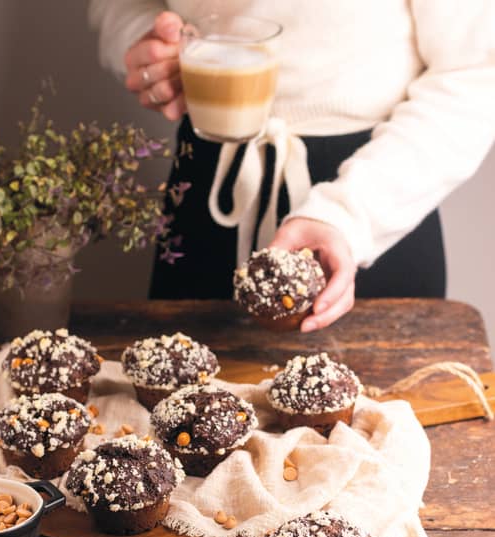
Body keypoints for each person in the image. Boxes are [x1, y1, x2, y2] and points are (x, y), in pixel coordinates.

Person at [89, 1, 495, 332]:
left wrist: (350, 214)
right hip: (208, 186)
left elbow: (477, 71)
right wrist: (145, 45)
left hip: (378, 197)